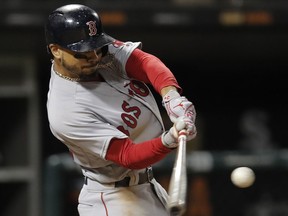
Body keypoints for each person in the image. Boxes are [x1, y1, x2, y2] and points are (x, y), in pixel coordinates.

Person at [45, 4, 197, 216]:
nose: (95, 57)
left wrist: (171, 95)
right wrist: (169, 139)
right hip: (114, 199)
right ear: (56, 51)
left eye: (97, 48)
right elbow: (127, 155)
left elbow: (142, 62)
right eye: (83, 53)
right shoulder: (65, 111)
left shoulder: (99, 52)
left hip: (147, 186)